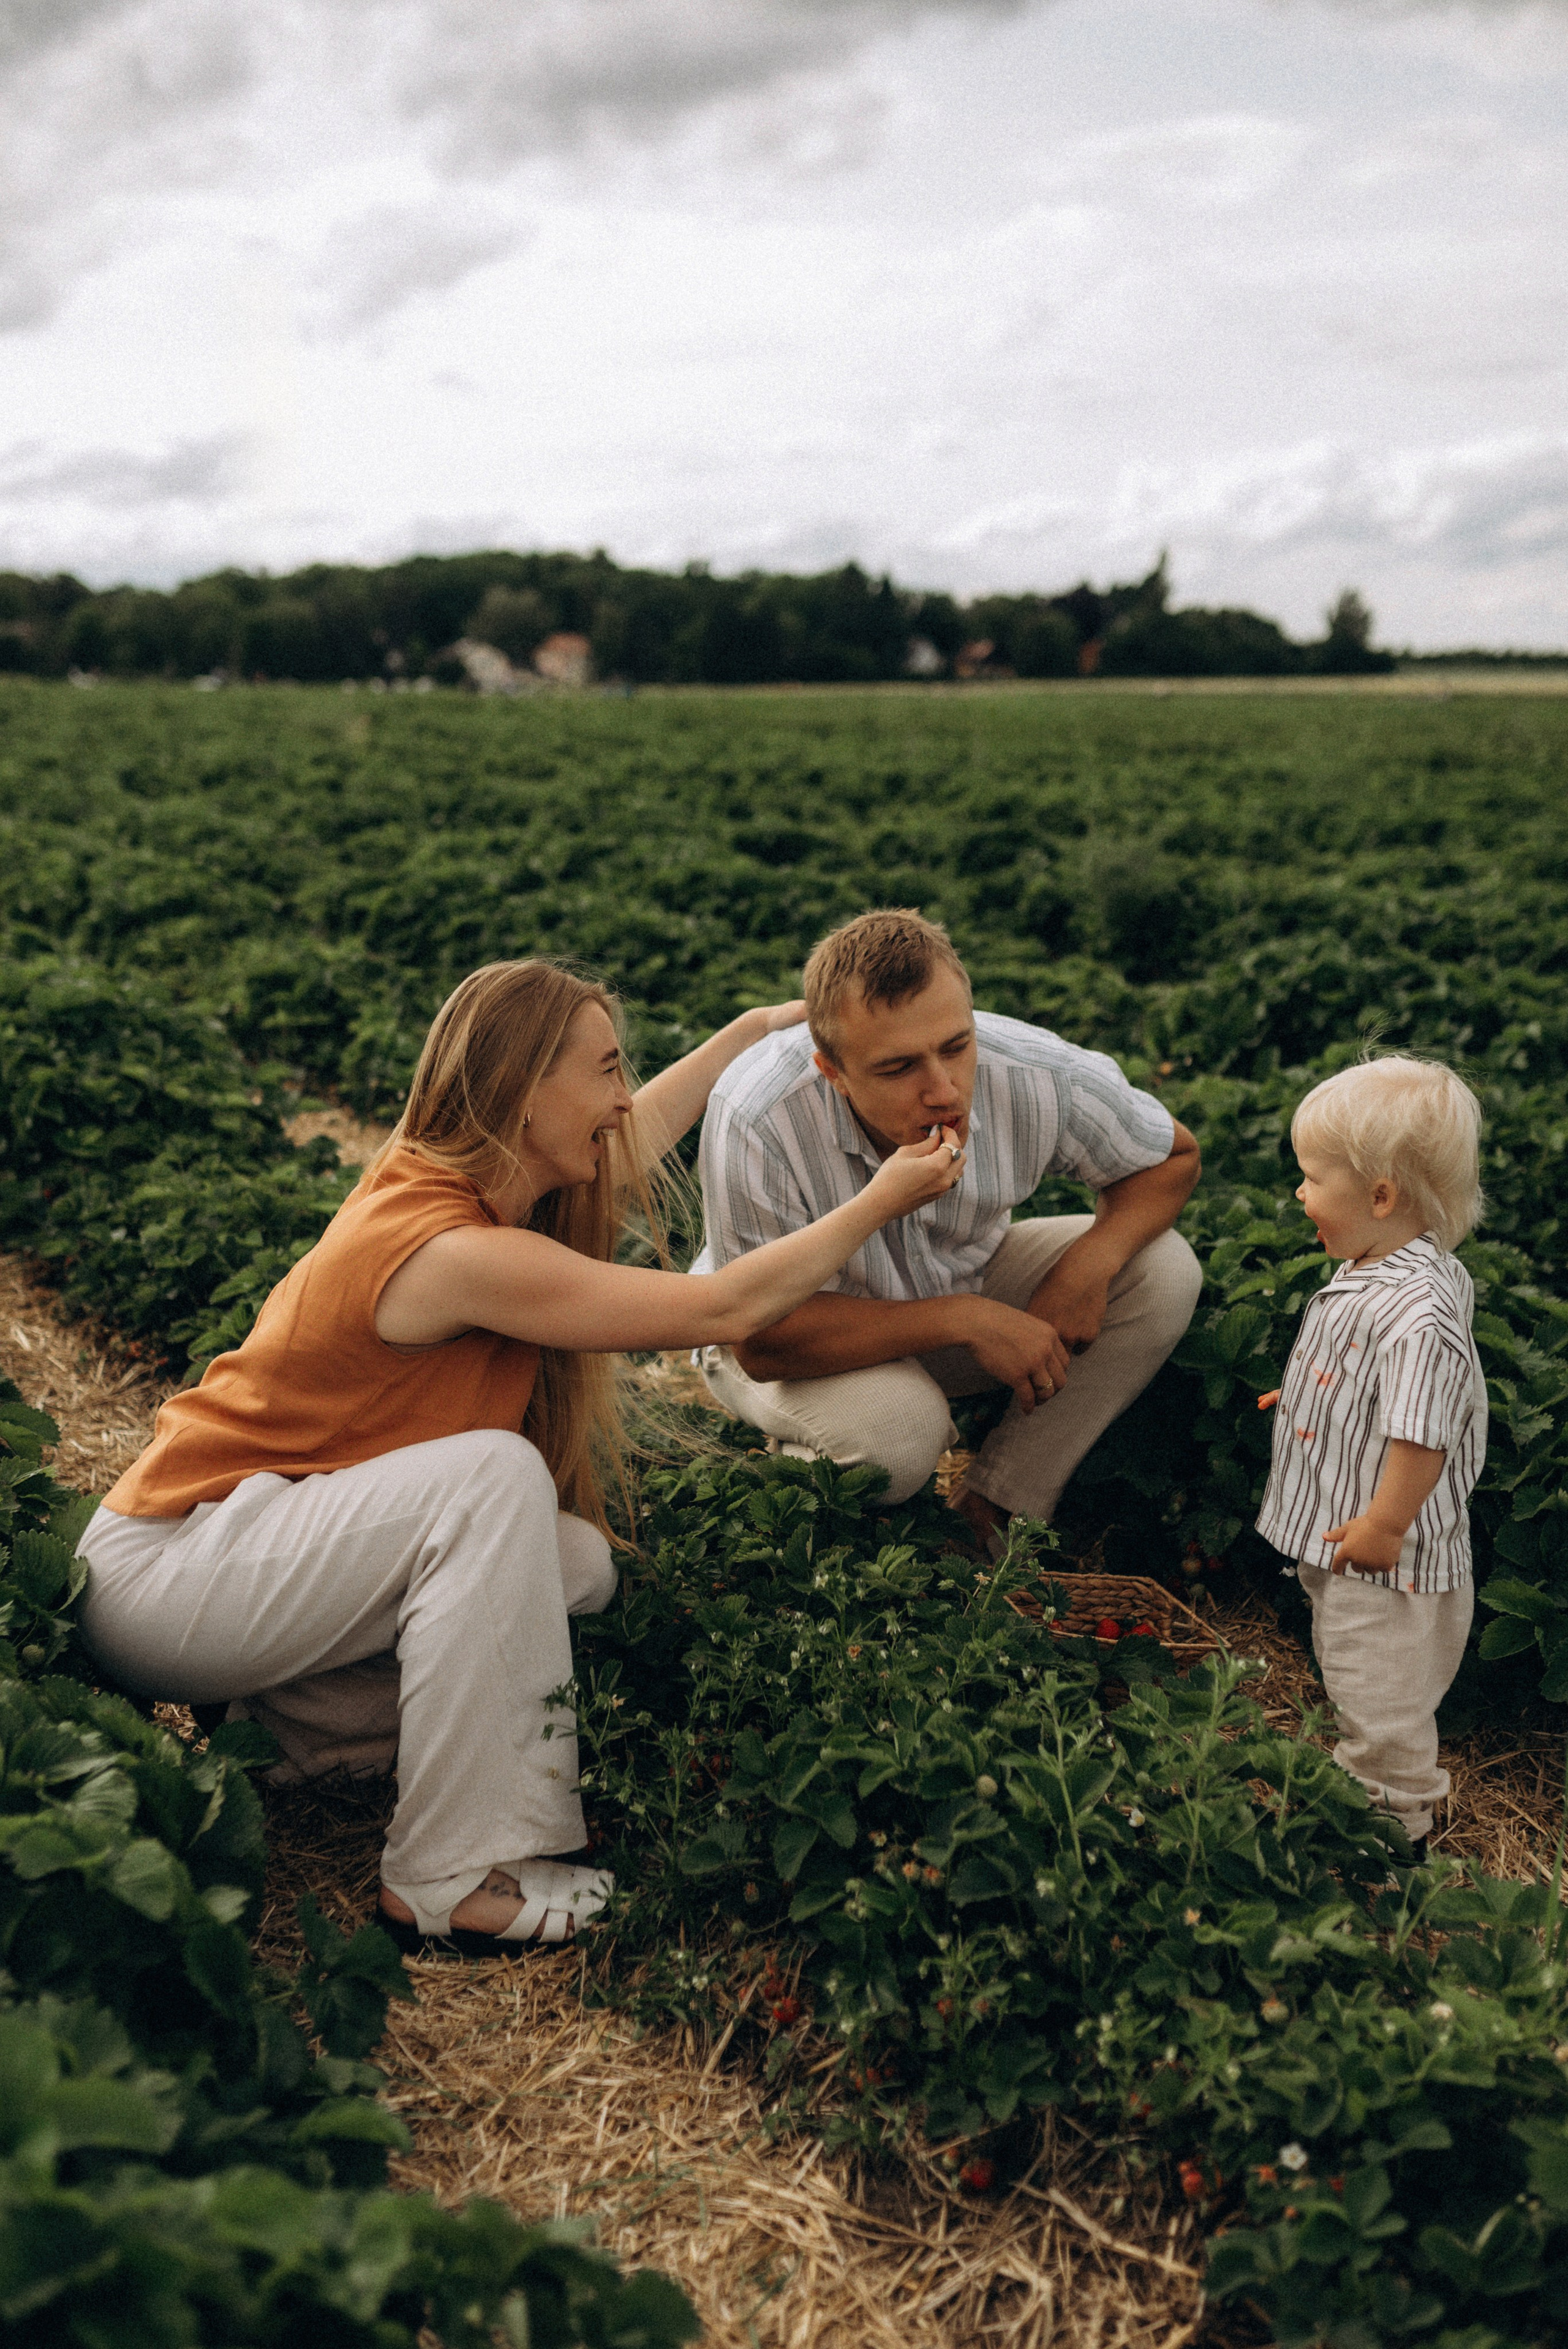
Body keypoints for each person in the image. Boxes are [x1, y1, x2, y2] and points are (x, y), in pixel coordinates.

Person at [75, 959, 967, 1957]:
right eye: (606, 1070)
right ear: (525, 1090)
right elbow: (721, 1310)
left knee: (571, 1561)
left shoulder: (470, 1193)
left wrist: (746, 1033)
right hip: (166, 1579)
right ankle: (451, 1878)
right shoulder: (452, 1249)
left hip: (242, 1571)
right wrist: (882, 1200)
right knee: (493, 1473)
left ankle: (305, 1739)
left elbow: (629, 1141)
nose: (623, 1098)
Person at [694, 908, 1202, 1551]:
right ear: (833, 1071)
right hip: (787, 1337)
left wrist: (1088, 1266)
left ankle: (995, 1505)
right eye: (898, 1067)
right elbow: (761, 1343)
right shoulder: (759, 1115)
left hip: (960, 1280)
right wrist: (963, 1319)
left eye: (956, 1047)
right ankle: (803, 1513)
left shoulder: (1034, 1072)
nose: (943, 1089)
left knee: (1161, 1270)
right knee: (899, 1435)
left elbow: (1171, 1157)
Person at [1256, 1056, 1488, 1858]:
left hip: (1386, 1556)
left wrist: (1387, 1523)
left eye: (1312, 1178)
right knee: (1355, 1668)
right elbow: (1381, 1390)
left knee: (1378, 1689)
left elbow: (1423, 1428)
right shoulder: (1384, 1268)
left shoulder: (1418, 1310)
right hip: (1351, 1531)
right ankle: (1377, 1791)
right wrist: (1312, 1397)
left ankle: (1392, 1828)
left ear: (1381, 1195)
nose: (1300, 1194)